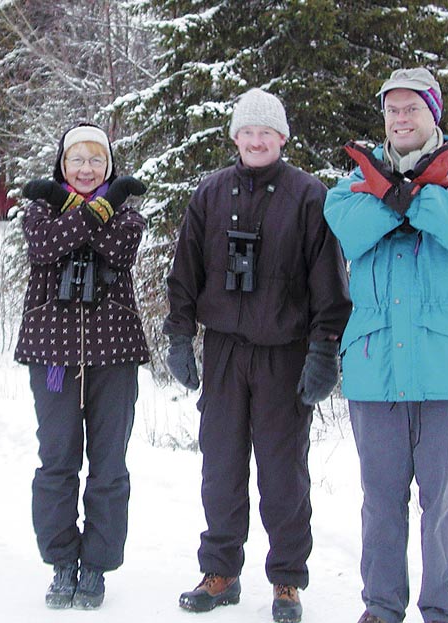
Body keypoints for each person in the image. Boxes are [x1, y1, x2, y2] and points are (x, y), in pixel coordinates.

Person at [164, 89, 351, 622]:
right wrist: (180, 335)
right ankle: (220, 571)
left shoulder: (309, 196)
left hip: (283, 353)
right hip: (223, 351)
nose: (255, 139)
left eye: (265, 131)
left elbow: (328, 282)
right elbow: (186, 272)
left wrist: (324, 349)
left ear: (282, 138)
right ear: (235, 137)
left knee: (282, 471)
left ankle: (287, 579)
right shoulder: (210, 193)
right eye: (246, 131)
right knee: (220, 465)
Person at [324, 68, 448, 623]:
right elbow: (346, 226)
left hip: (447, 366)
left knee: (443, 502)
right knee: (380, 502)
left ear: (434, 113)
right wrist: (401, 198)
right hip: (376, 368)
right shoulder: (354, 178)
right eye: (392, 110)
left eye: (412, 109)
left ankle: (444, 610)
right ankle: (381, 607)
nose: (401, 119)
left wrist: (406, 199)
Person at [17, 123, 149, 610]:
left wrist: (98, 212)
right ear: (62, 164)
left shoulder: (130, 216)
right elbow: (46, 248)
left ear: (108, 167)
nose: (87, 168)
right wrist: (94, 211)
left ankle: (96, 564)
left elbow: (118, 249)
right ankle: (61, 561)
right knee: (56, 462)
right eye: (77, 160)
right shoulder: (37, 210)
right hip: (52, 352)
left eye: (96, 160)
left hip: (114, 353)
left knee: (109, 464)